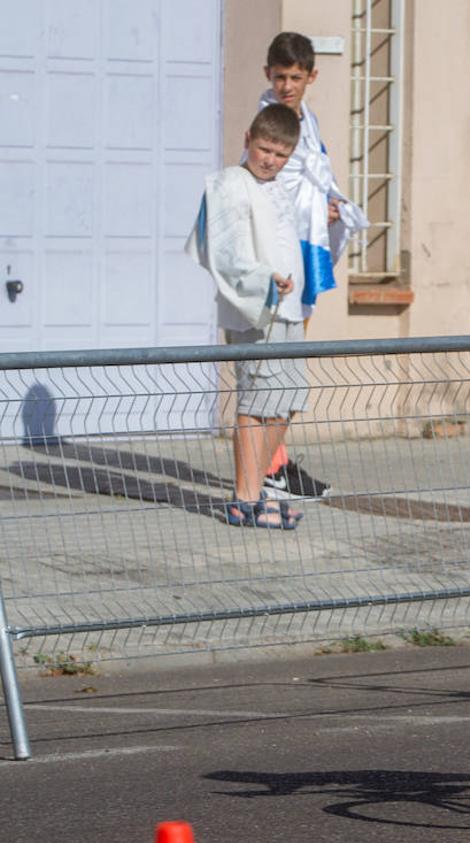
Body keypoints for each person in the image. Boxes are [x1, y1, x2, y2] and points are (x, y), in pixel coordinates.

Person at [254, 31, 369, 501]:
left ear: (311, 77)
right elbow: (267, 184)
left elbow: (315, 174)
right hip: (283, 249)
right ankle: (269, 465)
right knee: (275, 359)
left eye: (295, 77)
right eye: (279, 77)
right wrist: (310, 209)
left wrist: (331, 205)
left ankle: (276, 460)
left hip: (308, 246)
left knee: (292, 351)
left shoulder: (309, 119)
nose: (286, 86)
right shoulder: (269, 121)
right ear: (268, 75)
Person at [185, 103, 308, 529]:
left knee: (287, 401)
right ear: (247, 140)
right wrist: (263, 278)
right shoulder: (230, 184)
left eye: (280, 154)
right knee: (256, 402)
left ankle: (259, 491)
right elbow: (226, 249)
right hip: (256, 311)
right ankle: (244, 498)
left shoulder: (280, 187)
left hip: (288, 309)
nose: (270, 160)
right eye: (264, 149)